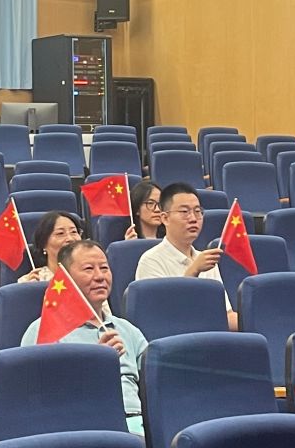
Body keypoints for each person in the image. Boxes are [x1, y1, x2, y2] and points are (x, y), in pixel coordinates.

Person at [19, 238, 149, 434]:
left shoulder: (127, 330)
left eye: (104, 268)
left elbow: (155, 383)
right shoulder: (43, 331)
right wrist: (95, 365)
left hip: (137, 423)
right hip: (82, 427)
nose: (100, 276)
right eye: (89, 269)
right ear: (66, 278)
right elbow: (35, 397)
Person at [134, 183, 238, 329]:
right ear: (165, 218)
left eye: (198, 211)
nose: (193, 218)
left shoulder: (206, 260)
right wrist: (194, 270)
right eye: (184, 211)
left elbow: (225, 315)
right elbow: (163, 320)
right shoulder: (151, 261)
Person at [19, 210, 86, 283]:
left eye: (74, 232)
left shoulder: (90, 275)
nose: (70, 239)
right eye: (60, 233)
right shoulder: (32, 280)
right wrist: (31, 288)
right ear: (43, 242)